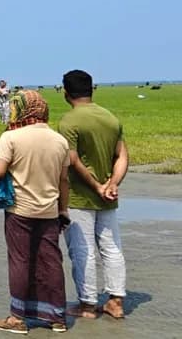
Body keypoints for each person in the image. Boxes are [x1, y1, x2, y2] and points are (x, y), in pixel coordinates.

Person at [0, 90, 71, 334]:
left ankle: (17, 318)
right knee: (51, 261)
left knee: (20, 260)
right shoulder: (59, 140)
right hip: (49, 211)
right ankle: (57, 317)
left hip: (19, 211)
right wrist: (63, 209)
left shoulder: (11, 137)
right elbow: (64, 180)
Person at [59, 69, 128, 320]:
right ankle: (116, 301)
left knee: (82, 250)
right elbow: (122, 156)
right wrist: (112, 183)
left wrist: (96, 186)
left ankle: (87, 305)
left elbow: (72, 159)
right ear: (92, 89)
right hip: (108, 196)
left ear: (66, 93)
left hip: (79, 196)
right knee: (111, 247)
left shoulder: (69, 122)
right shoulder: (110, 118)